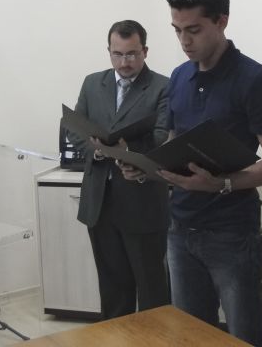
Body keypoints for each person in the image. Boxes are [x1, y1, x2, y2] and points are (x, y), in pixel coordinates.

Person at [160, 0, 262, 346]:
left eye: (194, 30)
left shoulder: (255, 80)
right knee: (191, 337)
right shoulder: (179, 76)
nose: (184, 41)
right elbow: (173, 144)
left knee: (244, 336)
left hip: (231, 233)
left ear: (222, 21)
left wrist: (221, 184)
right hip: (180, 228)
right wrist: (148, 168)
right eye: (177, 30)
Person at [72, 20, 170, 319]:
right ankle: (117, 336)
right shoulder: (92, 83)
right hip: (100, 202)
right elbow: (75, 131)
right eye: (117, 54)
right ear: (109, 51)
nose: (124, 62)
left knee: (152, 288)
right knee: (113, 288)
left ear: (145, 51)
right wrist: (97, 150)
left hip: (142, 201)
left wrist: (130, 152)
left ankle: (155, 339)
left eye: (131, 54)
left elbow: (162, 137)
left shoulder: (163, 86)